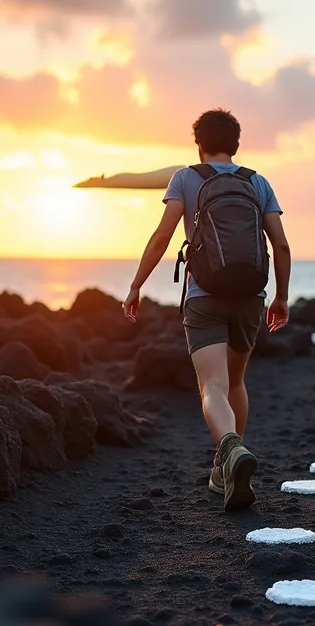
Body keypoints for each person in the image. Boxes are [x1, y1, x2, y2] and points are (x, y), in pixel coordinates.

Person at [123, 108, 291, 513]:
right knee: (236, 381)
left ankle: (229, 449)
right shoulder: (257, 181)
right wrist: (281, 297)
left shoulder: (186, 178)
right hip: (251, 295)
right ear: (236, 144)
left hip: (204, 295)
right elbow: (281, 245)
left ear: (198, 144)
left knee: (211, 386)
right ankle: (227, 463)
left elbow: (163, 235)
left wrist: (136, 285)